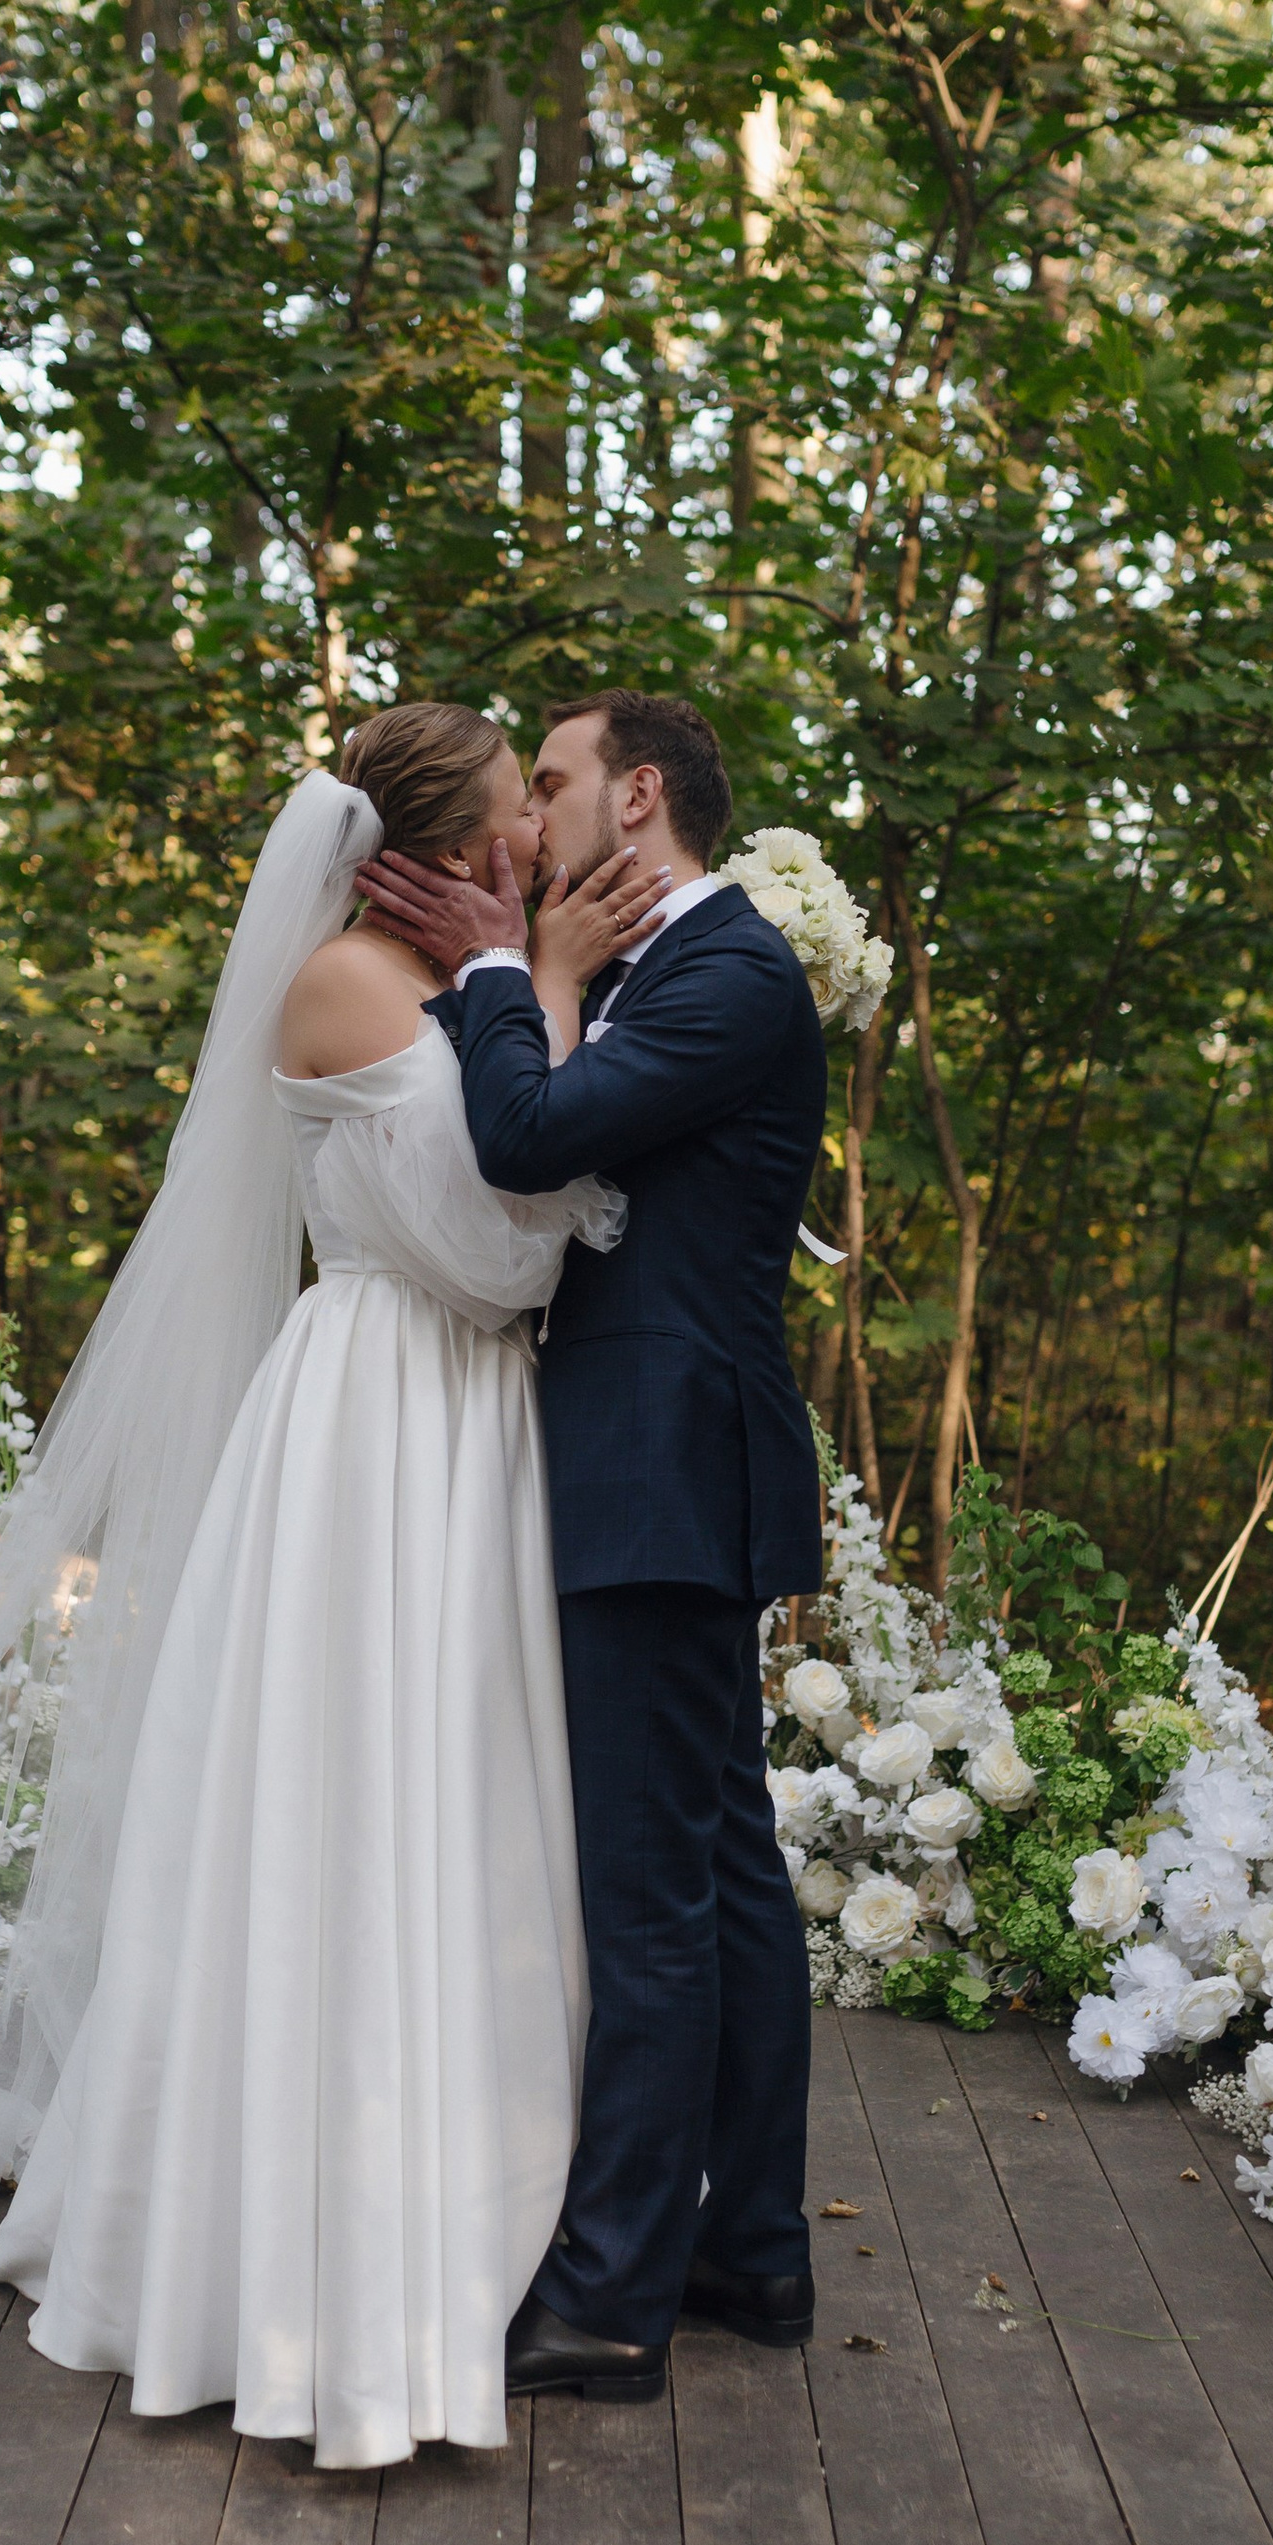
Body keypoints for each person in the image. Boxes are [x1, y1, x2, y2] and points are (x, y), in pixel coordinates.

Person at [0, 707, 661, 2469]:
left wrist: (528, 995)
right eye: (514, 815)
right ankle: (292, 2243)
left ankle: (495, 2197)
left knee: (469, 1797)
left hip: (467, 1434)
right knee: (351, 1802)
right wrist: (543, 993)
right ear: (445, 845)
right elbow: (495, 1251)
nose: (536, 839)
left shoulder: (462, 976)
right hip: (380, 1422)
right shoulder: (351, 984)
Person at [356, 689, 830, 2406]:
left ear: (637, 796)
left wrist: (503, 962)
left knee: (652, 1894)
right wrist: (527, 969)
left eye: (548, 781)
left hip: (658, 1469)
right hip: (657, 1464)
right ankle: (749, 2249)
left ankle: (618, 2294)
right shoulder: (660, 961)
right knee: (719, 1865)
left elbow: (530, 1138)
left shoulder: (728, 971)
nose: (528, 813)